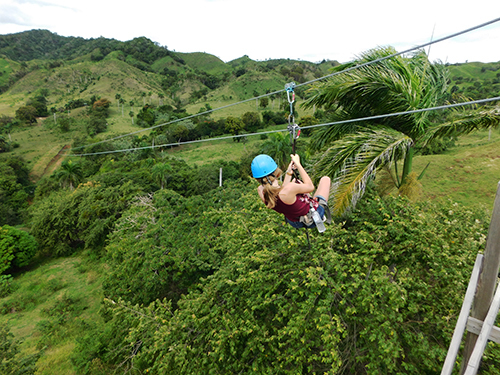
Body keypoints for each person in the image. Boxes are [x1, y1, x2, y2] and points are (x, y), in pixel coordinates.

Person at [251, 154, 331, 229]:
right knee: (325, 179)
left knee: (295, 183)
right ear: (276, 172)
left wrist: (289, 172)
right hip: (313, 218)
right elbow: (310, 187)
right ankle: (312, 201)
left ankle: (307, 197)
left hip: (295, 222)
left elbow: (281, 193)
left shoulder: (261, 191)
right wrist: (298, 164)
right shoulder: (289, 189)